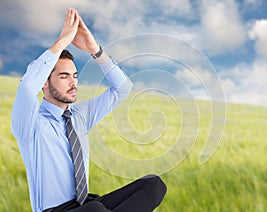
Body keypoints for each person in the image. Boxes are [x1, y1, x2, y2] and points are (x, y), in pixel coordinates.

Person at [11, 8, 166, 212]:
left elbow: (122, 88)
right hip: (56, 210)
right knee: (97, 211)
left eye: (75, 76)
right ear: (45, 83)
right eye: (64, 76)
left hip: (87, 203)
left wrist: (94, 50)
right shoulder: (31, 124)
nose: (73, 83)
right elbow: (27, 87)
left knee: (153, 185)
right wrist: (62, 42)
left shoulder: (80, 115)